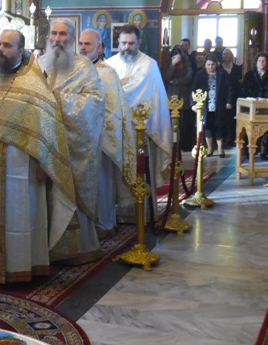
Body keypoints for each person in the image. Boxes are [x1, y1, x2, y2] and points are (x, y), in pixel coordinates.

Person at [0, 29, 77, 283]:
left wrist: (46, 164)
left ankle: (20, 267)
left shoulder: (33, 82)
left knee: (19, 216)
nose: (0, 49)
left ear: (20, 49)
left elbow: (48, 126)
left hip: (20, 165)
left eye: (7, 45)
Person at [39, 20, 105, 263]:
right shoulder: (37, 65)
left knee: (67, 195)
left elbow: (96, 101)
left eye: (63, 34)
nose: (57, 39)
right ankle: (41, 248)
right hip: (42, 141)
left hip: (71, 144)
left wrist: (59, 100)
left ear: (72, 37)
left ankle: (77, 248)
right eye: (54, 33)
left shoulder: (84, 67)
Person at [105, 25, 172, 219]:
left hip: (141, 130)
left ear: (138, 42)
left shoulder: (149, 65)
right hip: (116, 129)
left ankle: (144, 213)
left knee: (140, 169)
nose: (127, 47)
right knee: (118, 171)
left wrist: (120, 97)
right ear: (118, 42)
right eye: (124, 43)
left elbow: (153, 98)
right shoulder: (109, 65)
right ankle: (118, 213)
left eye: (131, 43)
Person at [79, 28, 134, 238]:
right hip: (78, 139)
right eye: (81, 44)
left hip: (101, 141)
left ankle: (105, 224)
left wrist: (95, 130)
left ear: (99, 48)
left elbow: (114, 110)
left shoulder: (106, 73)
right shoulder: (74, 71)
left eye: (88, 44)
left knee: (102, 184)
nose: (83, 48)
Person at [192, 53, 235, 157]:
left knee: (219, 127)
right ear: (205, 65)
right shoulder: (200, 75)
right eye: (208, 65)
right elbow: (193, 89)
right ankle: (210, 148)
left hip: (219, 104)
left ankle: (220, 148)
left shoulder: (222, 74)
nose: (210, 67)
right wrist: (193, 104)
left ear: (216, 64)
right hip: (205, 105)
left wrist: (229, 101)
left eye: (212, 64)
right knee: (208, 127)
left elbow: (230, 88)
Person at [164, 44, 197, 151]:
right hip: (172, 95)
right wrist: (173, 64)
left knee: (186, 121)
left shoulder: (187, 62)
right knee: (172, 121)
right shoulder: (169, 63)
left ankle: (186, 145)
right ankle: (173, 144)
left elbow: (189, 77)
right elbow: (167, 77)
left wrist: (175, 82)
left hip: (184, 94)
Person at [242, 52, 268, 159]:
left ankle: (264, 150)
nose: (261, 63)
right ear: (256, 63)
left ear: (267, 62)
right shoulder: (249, 75)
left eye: (264, 61)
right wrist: (255, 98)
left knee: (266, 128)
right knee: (251, 127)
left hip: (267, 105)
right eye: (259, 61)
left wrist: (266, 98)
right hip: (252, 105)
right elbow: (245, 90)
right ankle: (250, 150)